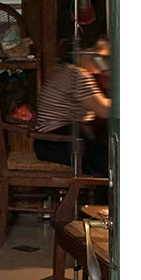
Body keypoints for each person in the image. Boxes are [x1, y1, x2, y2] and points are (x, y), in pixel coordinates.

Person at [34, 37, 111, 178]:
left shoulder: (67, 70)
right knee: (113, 164)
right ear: (85, 53)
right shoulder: (77, 75)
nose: (102, 61)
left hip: (50, 142)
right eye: (99, 56)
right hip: (59, 143)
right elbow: (105, 110)